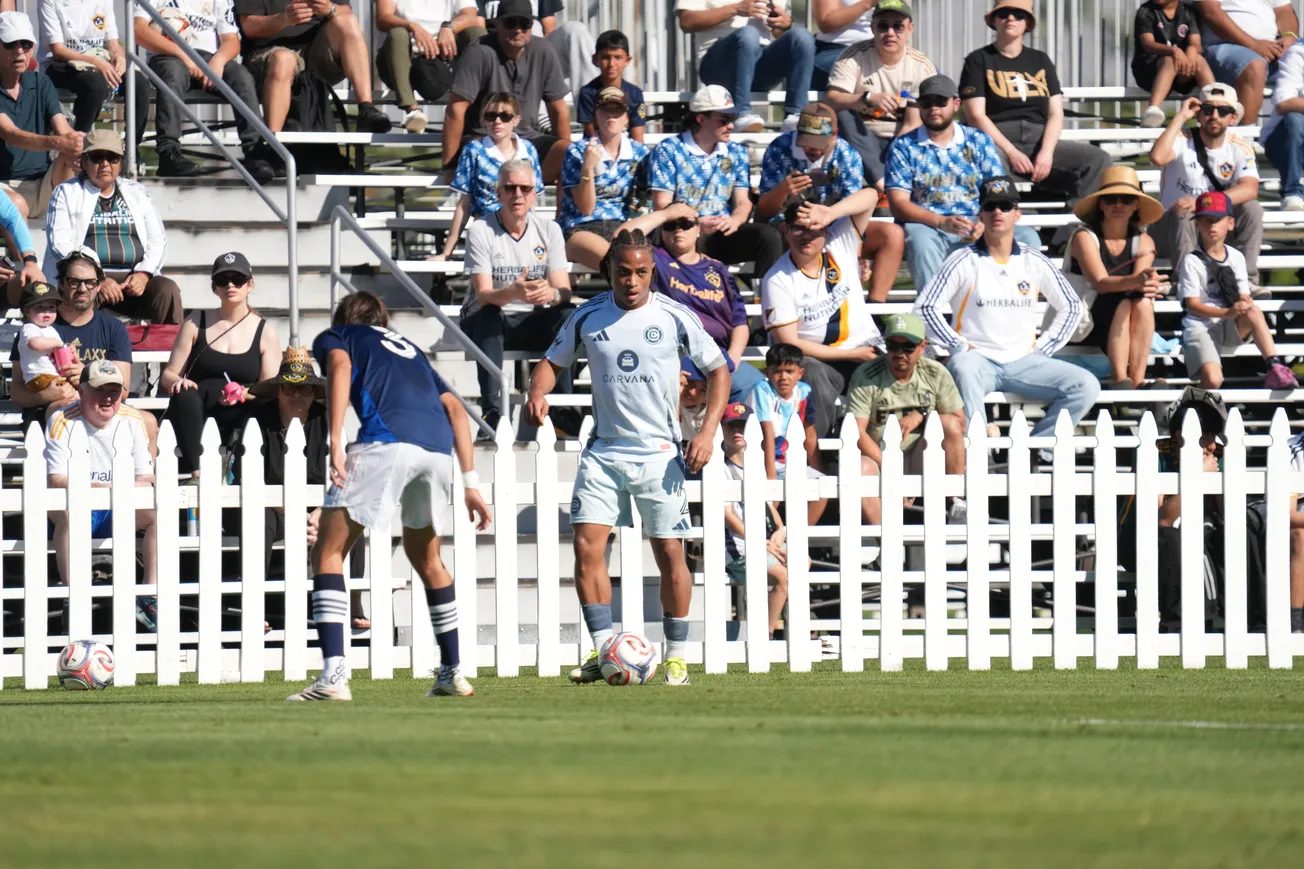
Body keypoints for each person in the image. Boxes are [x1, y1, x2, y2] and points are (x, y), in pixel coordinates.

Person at [526, 228, 731, 687]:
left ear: (651, 271)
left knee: (669, 552)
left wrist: (707, 432)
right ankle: (604, 652)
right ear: (609, 273)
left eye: (641, 272)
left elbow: (719, 370)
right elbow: (551, 362)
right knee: (585, 547)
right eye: (623, 272)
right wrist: (537, 391)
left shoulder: (676, 317)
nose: (632, 281)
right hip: (604, 451)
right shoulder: (588, 317)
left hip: (660, 453)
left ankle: (677, 656)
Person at [287, 291, 492, 702]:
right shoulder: (413, 352)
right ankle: (452, 671)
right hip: (435, 452)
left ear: (344, 319)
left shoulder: (337, 336)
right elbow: (456, 410)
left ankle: (333, 676)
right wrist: (470, 481)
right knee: (429, 559)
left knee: (327, 554)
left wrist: (334, 438)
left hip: (384, 443)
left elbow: (341, 364)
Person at [913, 177, 1100, 443]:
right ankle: (979, 455)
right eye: (990, 207)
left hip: (1025, 361)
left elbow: (1070, 306)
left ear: (1017, 214)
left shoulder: (1033, 259)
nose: (997, 212)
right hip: (977, 360)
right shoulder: (963, 259)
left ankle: (1037, 448)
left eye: (1005, 206)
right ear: (980, 214)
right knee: (963, 367)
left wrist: (1044, 348)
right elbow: (924, 307)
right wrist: (958, 345)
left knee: (1086, 385)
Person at [884, 73, 1042, 290]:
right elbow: (898, 204)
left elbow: (998, 191)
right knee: (920, 240)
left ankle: (1017, 303)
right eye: (926, 103)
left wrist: (984, 221)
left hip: (979, 222)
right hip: (930, 225)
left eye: (941, 102)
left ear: (956, 104)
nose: (934, 109)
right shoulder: (903, 146)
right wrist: (940, 222)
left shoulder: (979, 140)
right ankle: (934, 313)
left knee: (1029, 237)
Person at [959, 0, 1112, 206]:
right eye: (1004, 13)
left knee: (1097, 160)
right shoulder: (978, 60)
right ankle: (1002, 228)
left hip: (1038, 140)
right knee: (991, 161)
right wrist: (1012, 153)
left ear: (1027, 23)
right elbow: (976, 115)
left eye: (1018, 14)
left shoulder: (1041, 60)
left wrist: (1046, 153)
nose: (1011, 18)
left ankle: (1074, 232)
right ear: (994, 21)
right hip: (997, 141)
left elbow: (1056, 113)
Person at [459, 159, 571, 434]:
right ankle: (492, 412)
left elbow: (565, 291)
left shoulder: (550, 230)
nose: (517, 195)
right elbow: (484, 295)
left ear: (535, 193)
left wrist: (552, 293)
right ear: (498, 193)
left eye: (524, 188)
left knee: (567, 317)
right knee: (488, 315)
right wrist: (513, 292)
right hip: (489, 319)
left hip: (530, 319)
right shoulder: (481, 230)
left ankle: (565, 412)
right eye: (509, 188)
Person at [760, 186, 881, 438]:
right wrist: (851, 354)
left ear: (826, 229)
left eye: (815, 229)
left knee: (912, 359)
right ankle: (818, 453)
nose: (807, 236)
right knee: (810, 371)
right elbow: (790, 342)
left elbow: (870, 194)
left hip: (867, 346)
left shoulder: (841, 241)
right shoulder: (777, 279)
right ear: (786, 231)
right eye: (799, 228)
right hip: (823, 359)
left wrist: (830, 211)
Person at [46, 359, 158, 629]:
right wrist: (110, 489)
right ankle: (74, 597)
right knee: (70, 513)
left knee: (159, 515)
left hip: (120, 505)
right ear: (82, 391)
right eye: (99, 390)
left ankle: (148, 594)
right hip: (77, 506)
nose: (108, 397)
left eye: (114, 390)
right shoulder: (62, 420)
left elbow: (146, 477)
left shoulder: (133, 420)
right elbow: (57, 479)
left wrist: (115, 492)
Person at [757, 102, 905, 303]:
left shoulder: (847, 155)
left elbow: (855, 214)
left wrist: (856, 255)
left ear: (834, 135)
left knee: (892, 235)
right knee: (787, 232)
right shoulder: (780, 149)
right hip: (789, 226)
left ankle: (873, 307)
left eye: (819, 144)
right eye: (807, 142)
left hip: (834, 224)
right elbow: (763, 213)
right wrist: (782, 190)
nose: (813, 150)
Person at [619, 202, 761, 403]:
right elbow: (621, 239)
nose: (678, 230)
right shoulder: (655, 259)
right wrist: (663, 214)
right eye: (670, 225)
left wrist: (732, 359)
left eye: (685, 224)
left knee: (756, 386)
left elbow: (739, 323)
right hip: (674, 353)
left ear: (698, 229)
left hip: (717, 355)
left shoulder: (718, 269)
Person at [159, 251, 282, 479]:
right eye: (222, 280)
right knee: (183, 395)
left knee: (262, 412)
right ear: (214, 287)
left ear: (250, 285)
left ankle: (245, 476)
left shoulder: (265, 331)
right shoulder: (196, 322)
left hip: (242, 413)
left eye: (238, 279)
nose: (230, 285)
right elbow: (168, 374)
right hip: (198, 413)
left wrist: (245, 393)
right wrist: (179, 381)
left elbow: (270, 389)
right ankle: (198, 474)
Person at [44, 129, 184, 325]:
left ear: (121, 162)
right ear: (84, 161)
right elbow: (60, 245)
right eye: (96, 157)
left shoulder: (137, 192)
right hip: (86, 279)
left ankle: (170, 352)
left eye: (113, 158)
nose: (105, 164)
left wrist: (144, 274)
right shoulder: (66, 192)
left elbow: (158, 240)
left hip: (133, 279)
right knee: (83, 289)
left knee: (166, 290)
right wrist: (98, 278)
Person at [649, 84, 784, 281]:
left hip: (722, 232)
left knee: (769, 237)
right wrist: (695, 224)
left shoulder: (736, 152)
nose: (731, 125)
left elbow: (743, 202)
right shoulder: (668, 150)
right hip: (681, 231)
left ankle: (766, 302)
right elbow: (662, 204)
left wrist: (734, 221)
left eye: (733, 119)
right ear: (701, 118)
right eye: (724, 119)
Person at [848, 312, 967, 525]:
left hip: (923, 455)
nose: (899, 353)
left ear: (923, 346)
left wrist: (922, 416)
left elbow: (959, 421)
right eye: (893, 346)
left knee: (948, 424)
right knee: (860, 468)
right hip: (879, 457)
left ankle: (955, 500)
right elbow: (856, 432)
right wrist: (892, 469)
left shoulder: (935, 372)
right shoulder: (866, 375)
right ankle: (887, 548)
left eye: (908, 346)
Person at [134, 0, 273, 180]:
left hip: (211, 58)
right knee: (172, 75)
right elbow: (139, 30)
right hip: (168, 56)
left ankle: (255, 153)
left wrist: (219, 60)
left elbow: (231, 40)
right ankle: (169, 153)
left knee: (242, 77)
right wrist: (183, 54)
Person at [1176, 190, 1298, 390]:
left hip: (1229, 323)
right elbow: (1193, 305)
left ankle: (1275, 366)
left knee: (1253, 310)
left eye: (1216, 219)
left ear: (1230, 223)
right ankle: (1191, 405)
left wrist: (1242, 304)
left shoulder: (1236, 257)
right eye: (1205, 220)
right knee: (1214, 380)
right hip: (1201, 327)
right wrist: (1228, 312)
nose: (1211, 225)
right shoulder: (1191, 260)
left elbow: (1243, 294)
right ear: (1197, 224)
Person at [8, 249, 135, 433]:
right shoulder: (36, 326)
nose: (83, 289)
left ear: (99, 286)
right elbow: (17, 393)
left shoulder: (114, 328)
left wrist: (87, 375)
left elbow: (122, 391)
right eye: (74, 282)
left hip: (101, 409)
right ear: (61, 284)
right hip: (47, 411)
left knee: (149, 423)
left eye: (90, 282)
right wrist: (44, 395)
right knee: (71, 413)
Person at [442, 0, 569, 182]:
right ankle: (517, 188)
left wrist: (563, 155)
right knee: (480, 157)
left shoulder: (544, 50)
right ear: (497, 24)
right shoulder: (479, 52)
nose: (517, 30)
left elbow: (559, 108)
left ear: (532, 26)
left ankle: (523, 188)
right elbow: (456, 109)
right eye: (510, 23)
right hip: (485, 137)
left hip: (528, 139)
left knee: (572, 155)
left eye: (524, 24)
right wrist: (449, 166)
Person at [1149, 86, 1264, 286]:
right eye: (1208, 110)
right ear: (1199, 115)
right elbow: (1157, 157)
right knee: (1183, 211)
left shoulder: (1240, 145)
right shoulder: (1182, 138)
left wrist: (1203, 203)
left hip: (1214, 228)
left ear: (1233, 118)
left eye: (1223, 111)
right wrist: (1181, 117)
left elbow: (1250, 188)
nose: (1215, 116)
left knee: (1252, 208)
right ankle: (1187, 283)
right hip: (1171, 229)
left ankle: (1245, 282)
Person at [1066, 166, 1167, 388]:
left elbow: (1140, 283)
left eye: (1127, 199)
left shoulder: (1144, 242)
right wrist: (1142, 281)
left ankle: (1136, 380)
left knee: (1142, 303)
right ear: (1101, 204)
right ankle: (1121, 377)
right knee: (1128, 301)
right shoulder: (1084, 237)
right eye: (1111, 199)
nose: (1119, 205)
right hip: (1086, 320)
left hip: (1126, 316)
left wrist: (1147, 283)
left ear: (1136, 205)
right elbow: (1100, 283)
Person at [234, 0, 392, 134]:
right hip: (268, 55)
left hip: (315, 56)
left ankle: (366, 108)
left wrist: (330, 9)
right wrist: (284, 19)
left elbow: (345, 9)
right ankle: (273, 147)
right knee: (284, 59)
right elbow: (249, 27)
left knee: (347, 20)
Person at [822, 0, 932, 191]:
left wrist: (895, 154)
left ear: (910, 29)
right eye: (883, 26)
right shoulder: (853, 56)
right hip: (862, 137)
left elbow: (912, 123)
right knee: (843, 114)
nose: (890, 33)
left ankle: (885, 183)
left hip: (899, 138)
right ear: (872, 28)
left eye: (898, 26)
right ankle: (883, 183)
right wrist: (866, 97)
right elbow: (831, 99)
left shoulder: (921, 66)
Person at [433, 92, 542, 261]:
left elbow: (531, 203)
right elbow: (464, 205)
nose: (497, 121)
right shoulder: (474, 150)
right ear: (483, 120)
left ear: (516, 120)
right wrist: (447, 252)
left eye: (505, 116)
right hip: (487, 230)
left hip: (522, 231)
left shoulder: (528, 151)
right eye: (491, 116)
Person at [676, 0, 815, 133]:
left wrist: (784, 24)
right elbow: (687, 21)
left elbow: (778, 33)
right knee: (748, 34)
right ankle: (741, 113)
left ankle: (795, 115)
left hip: (758, 68)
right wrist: (736, 8)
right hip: (717, 67)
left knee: (802, 37)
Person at [0, 11, 81, 219]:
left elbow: (64, 131)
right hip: (4, 187)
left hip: (42, 184)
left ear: (33, 48)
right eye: (10, 44)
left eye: (25, 44)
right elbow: (11, 134)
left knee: (72, 153)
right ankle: (26, 253)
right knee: (16, 205)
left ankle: (71, 242)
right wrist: (60, 143)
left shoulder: (41, 83)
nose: (19, 51)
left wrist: (82, 144)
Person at [559, 86, 649, 271]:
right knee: (621, 265)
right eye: (605, 109)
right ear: (596, 115)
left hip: (623, 227)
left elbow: (643, 200)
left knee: (633, 263)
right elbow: (586, 208)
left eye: (617, 110)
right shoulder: (577, 151)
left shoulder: (640, 153)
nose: (611, 116)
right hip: (581, 227)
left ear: (627, 117)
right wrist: (587, 167)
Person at [720, 401, 789, 639]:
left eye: (743, 426)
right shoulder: (720, 468)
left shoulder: (755, 466)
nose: (737, 432)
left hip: (764, 542)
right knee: (783, 576)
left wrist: (781, 530)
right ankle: (766, 634)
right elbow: (728, 516)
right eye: (731, 427)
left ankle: (784, 625)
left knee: (802, 561)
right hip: (738, 549)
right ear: (721, 430)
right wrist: (760, 542)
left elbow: (769, 505)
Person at [37, 0, 151, 136]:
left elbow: (113, 43)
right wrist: (96, 63)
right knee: (96, 85)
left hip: (98, 60)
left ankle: (131, 148)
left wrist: (119, 57)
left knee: (139, 82)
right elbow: (58, 51)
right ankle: (77, 143)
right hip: (59, 64)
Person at [375, 0, 481, 133]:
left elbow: (471, 15)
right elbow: (383, 18)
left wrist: (449, 27)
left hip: (440, 56)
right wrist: (412, 26)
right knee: (398, 33)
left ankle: (482, 103)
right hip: (399, 58)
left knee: (476, 32)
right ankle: (412, 110)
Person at [750, 343, 827, 524]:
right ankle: (768, 540)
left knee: (821, 487)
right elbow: (767, 434)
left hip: (790, 462)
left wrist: (818, 468)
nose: (783, 377)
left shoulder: (805, 391)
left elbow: (809, 433)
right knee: (770, 500)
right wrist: (771, 475)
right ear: (767, 372)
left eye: (789, 371)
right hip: (762, 462)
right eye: (777, 371)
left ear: (800, 373)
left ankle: (798, 537)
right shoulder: (762, 389)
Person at [1194, 0, 1298, 126]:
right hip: (1223, 45)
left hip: (1270, 47)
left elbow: (1284, 11)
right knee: (1255, 66)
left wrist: (1289, 36)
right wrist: (1253, 44)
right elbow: (1210, 12)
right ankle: (1244, 139)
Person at [474, 0, 597, 95]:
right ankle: (541, 117)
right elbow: (480, 31)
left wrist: (542, 58)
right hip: (498, 58)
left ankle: (594, 107)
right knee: (534, 29)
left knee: (575, 29)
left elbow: (549, 29)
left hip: (538, 57)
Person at [1133, 0, 1215, 127]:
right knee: (1169, 60)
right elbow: (1148, 44)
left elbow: (1196, 43)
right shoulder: (1146, 11)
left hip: (1181, 72)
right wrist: (1173, 50)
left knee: (1199, 59)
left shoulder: (1189, 12)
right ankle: (1153, 109)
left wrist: (1192, 50)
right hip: (1149, 71)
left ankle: (1216, 101)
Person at [16, 280, 74, 418]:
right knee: (69, 396)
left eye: (51, 307)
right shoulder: (29, 328)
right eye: (40, 307)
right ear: (26, 311)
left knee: (74, 395)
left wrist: (68, 351)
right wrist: (57, 343)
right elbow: (34, 344)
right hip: (37, 376)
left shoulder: (52, 330)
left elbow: (58, 352)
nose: (46, 312)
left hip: (51, 375)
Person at [576, 30, 646, 142]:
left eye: (617, 57)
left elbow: (638, 137)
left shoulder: (635, 94)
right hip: (595, 151)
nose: (611, 64)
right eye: (605, 57)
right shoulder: (588, 93)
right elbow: (591, 136)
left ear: (627, 60)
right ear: (595, 59)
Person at [1261, 39, 1304, 210]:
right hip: (1285, 142)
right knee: (1294, 118)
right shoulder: (1298, 52)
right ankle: (1292, 193)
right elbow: (1283, 103)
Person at [811, 0, 879, 89]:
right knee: (866, 72)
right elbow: (826, 22)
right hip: (836, 49)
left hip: (877, 48)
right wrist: (869, 3)